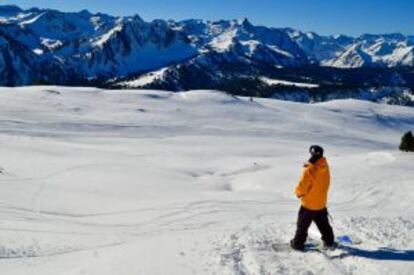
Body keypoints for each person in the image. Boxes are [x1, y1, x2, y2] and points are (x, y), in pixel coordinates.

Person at [290, 145, 335, 251]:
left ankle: (297, 244)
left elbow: (303, 184)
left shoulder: (310, 168)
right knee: (324, 225)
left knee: (302, 225)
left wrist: (298, 193)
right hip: (321, 203)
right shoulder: (324, 165)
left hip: (309, 204)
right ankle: (329, 241)